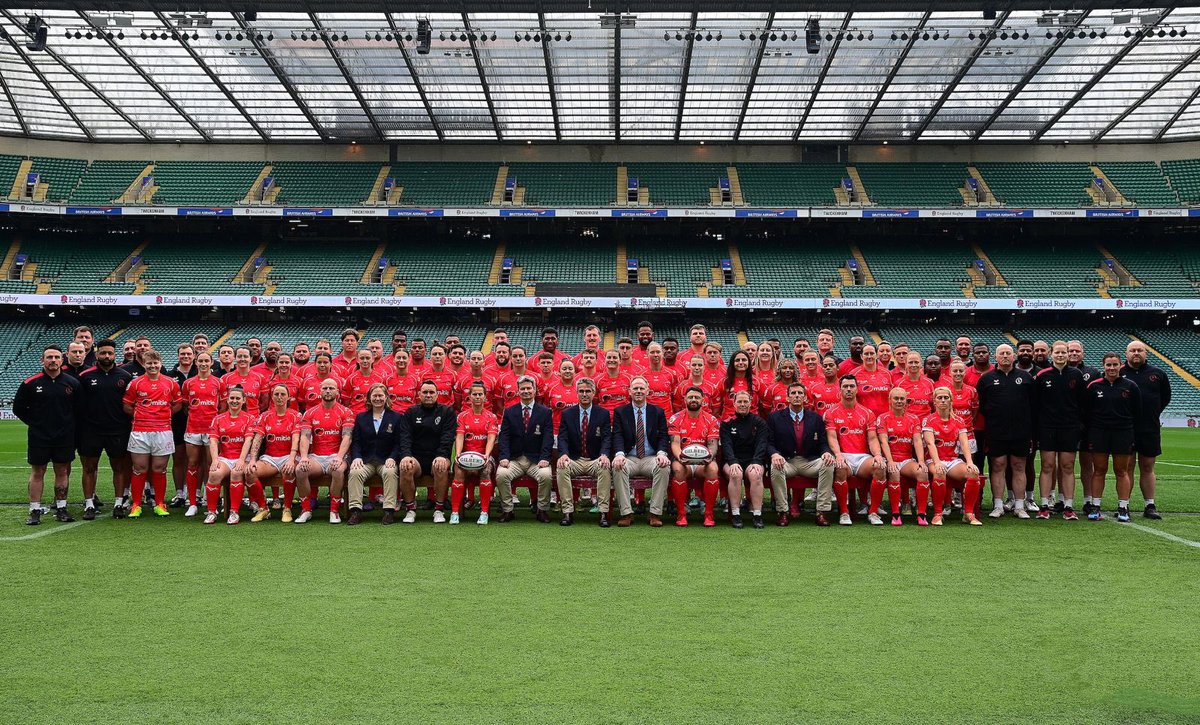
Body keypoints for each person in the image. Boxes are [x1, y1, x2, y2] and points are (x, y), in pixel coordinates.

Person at [15, 345, 81, 525]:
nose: (53, 360)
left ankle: (61, 508)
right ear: (42, 360)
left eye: (56, 357)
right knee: (38, 472)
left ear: (62, 360)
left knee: (62, 471)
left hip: (64, 437)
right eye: (49, 357)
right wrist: (35, 424)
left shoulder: (72, 383)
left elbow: (80, 409)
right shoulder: (30, 383)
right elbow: (18, 409)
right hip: (39, 437)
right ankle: (34, 509)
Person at [121, 349, 183, 518]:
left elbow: (177, 404)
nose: (153, 366)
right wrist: (141, 416)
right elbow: (127, 405)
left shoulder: (171, 383)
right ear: (144, 364)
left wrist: (164, 414)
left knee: (159, 468)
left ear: (160, 363)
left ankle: (160, 503)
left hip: (163, 431)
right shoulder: (136, 383)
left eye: (155, 363)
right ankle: (136, 505)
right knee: (139, 469)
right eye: (149, 363)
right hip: (140, 431)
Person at [978, 344, 1036, 519]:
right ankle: (998, 505)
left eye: (1008, 353)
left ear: (1014, 356)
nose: (1005, 356)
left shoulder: (1026, 378)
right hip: (996, 431)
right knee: (997, 466)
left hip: (1021, 431)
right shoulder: (986, 379)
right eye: (1001, 353)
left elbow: (1033, 404)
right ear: (995, 357)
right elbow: (982, 405)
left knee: (1019, 466)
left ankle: (1019, 506)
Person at [76, 339, 132, 520]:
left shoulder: (124, 376)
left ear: (115, 355)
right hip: (91, 431)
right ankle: (89, 504)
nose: (106, 356)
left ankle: (118, 504)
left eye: (110, 353)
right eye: (103, 353)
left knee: (119, 468)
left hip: (118, 430)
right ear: (97, 354)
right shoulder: (85, 376)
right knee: (89, 468)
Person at [767, 383, 836, 527]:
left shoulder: (815, 418)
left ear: (805, 397)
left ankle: (822, 512)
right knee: (775, 466)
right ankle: (783, 512)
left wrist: (826, 453)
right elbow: (769, 442)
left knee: (828, 463)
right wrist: (774, 454)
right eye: (793, 393)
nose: (797, 396)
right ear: (787, 397)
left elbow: (823, 442)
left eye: (800, 393)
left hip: (808, 461)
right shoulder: (775, 417)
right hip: (787, 461)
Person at [1086, 353, 1143, 522]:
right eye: (1108, 365)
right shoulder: (1093, 386)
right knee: (1099, 470)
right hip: (1099, 433)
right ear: (1103, 366)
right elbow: (1086, 411)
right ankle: (1095, 506)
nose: (1111, 368)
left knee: (1121, 470)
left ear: (1120, 365)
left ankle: (1123, 507)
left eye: (1115, 365)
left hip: (1123, 433)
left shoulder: (1130, 386)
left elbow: (1137, 412)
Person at [824, 375, 886, 526]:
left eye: (852, 386)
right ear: (840, 390)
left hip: (862, 458)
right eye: (845, 387)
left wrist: (877, 455)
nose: (849, 389)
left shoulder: (867, 413)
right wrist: (838, 455)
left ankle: (873, 512)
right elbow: (832, 438)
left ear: (857, 389)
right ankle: (844, 512)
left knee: (880, 467)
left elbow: (872, 439)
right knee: (839, 468)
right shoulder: (831, 412)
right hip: (843, 455)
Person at [1033, 342, 1085, 520]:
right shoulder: (1042, 375)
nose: (1061, 355)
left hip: (1069, 428)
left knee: (1067, 466)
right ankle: (1044, 505)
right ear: (1051, 354)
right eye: (1057, 352)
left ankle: (1068, 506)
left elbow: (1082, 402)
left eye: (1064, 352)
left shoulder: (1076, 375)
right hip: (1047, 427)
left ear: (1068, 354)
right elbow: (1035, 404)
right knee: (1047, 466)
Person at [612, 376, 671, 527]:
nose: (638, 391)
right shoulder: (620, 412)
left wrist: (661, 453)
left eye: (641, 388)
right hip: (629, 457)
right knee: (618, 467)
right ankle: (626, 513)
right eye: (635, 388)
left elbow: (663, 436)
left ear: (648, 391)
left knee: (664, 466)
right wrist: (619, 454)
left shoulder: (657, 412)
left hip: (650, 457)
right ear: (629, 391)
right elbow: (617, 435)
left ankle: (655, 513)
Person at [495, 375, 554, 522]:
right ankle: (507, 510)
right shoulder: (509, 412)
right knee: (501, 474)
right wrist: (504, 457)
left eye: (529, 388)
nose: (526, 391)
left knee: (546, 475)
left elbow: (548, 438)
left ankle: (542, 510)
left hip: (536, 460)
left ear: (534, 390)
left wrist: (545, 458)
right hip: (515, 459)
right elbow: (504, 437)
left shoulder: (545, 412)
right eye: (523, 389)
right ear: (518, 391)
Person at [1121, 340, 1170, 519]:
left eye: (1140, 350)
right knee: (1127, 467)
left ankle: (1150, 504)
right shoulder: (1119, 373)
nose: (1136, 353)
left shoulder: (1158, 374)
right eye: (1132, 350)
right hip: (1125, 428)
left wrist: (1151, 414)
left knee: (1147, 466)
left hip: (1149, 428)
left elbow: (1165, 398)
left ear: (1145, 353)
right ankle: (1124, 504)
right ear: (1126, 354)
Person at [556, 378, 613, 527]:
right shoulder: (568, 414)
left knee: (605, 466)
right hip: (575, 459)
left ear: (594, 393)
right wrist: (563, 454)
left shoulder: (603, 413)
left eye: (588, 391)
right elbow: (562, 437)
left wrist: (604, 454)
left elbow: (607, 437)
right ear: (577, 393)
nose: (584, 394)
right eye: (581, 391)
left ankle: (603, 512)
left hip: (595, 458)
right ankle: (567, 512)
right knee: (562, 467)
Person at [922, 387, 983, 526]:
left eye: (946, 397)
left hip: (952, 460)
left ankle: (968, 513)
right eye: (939, 398)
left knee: (973, 473)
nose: (943, 400)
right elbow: (930, 444)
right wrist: (937, 463)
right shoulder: (928, 420)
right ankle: (938, 514)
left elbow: (964, 443)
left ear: (951, 400)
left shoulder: (959, 420)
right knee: (939, 471)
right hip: (934, 460)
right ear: (934, 401)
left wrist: (969, 462)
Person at [297, 378, 354, 524]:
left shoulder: (346, 412)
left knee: (337, 470)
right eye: (325, 388)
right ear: (320, 391)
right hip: (316, 457)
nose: (328, 391)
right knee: (300, 470)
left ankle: (334, 511)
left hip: (336, 455)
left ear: (337, 391)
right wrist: (304, 457)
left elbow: (347, 437)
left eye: (331, 388)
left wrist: (340, 457)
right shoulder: (310, 412)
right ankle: (306, 510)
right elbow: (304, 436)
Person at [398, 381, 457, 523]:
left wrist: (442, 455)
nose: (428, 395)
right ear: (419, 395)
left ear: (437, 395)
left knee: (440, 467)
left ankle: (439, 509)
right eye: (425, 392)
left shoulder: (447, 412)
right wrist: (406, 455)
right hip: (416, 457)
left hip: (438, 456)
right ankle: (410, 509)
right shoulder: (411, 412)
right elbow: (405, 437)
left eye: (431, 392)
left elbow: (448, 438)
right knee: (405, 467)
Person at [346, 383, 403, 525]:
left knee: (390, 473)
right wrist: (357, 457)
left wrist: (392, 457)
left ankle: (389, 511)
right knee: (354, 473)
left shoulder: (396, 417)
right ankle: (355, 511)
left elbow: (399, 442)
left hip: (386, 460)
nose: (377, 398)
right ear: (369, 398)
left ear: (386, 398)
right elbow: (356, 442)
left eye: (380, 396)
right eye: (374, 396)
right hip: (367, 460)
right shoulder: (361, 417)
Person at [667, 387, 721, 527]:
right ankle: (681, 514)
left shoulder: (711, 419)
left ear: (703, 400)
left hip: (703, 461)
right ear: (684, 399)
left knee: (713, 469)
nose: (693, 400)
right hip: (684, 460)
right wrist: (681, 457)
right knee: (678, 469)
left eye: (697, 397)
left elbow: (713, 444)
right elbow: (675, 443)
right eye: (690, 397)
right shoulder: (676, 418)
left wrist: (709, 457)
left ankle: (709, 514)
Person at [203, 386, 256, 525]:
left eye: (238, 398)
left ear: (244, 400)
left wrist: (241, 460)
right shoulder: (218, 419)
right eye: (232, 398)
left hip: (242, 458)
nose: (234, 401)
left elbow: (248, 441)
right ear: (227, 400)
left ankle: (234, 512)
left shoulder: (250, 418)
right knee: (214, 473)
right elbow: (213, 441)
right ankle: (212, 512)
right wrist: (215, 460)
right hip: (225, 457)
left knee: (236, 473)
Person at [875, 388, 928, 526]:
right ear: (890, 400)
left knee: (922, 472)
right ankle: (895, 514)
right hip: (890, 459)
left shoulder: (913, 418)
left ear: (906, 401)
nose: (899, 401)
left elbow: (917, 441)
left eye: (902, 399)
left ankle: (922, 514)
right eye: (896, 398)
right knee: (894, 472)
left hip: (906, 459)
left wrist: (921, 461)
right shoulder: (883, 418)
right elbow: (883, 441)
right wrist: (890, 461)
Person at [250, 383, 302, 522]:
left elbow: (296, 438)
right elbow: (257, 439)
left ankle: (287, 508)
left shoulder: (295, 415)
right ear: (272, 397)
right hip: (270, 458)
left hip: (289, 456)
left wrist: (291, 459)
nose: (279, 397)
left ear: (289, 397)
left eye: (283, 394)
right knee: (250, 472)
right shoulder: (265, 416)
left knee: (289, 470)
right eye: (276, 394)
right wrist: (253, 460)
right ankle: (264, 508)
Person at [179, 351, 221, 517]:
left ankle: (210, 501)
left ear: (211, 363)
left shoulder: (218, 383)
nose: (203, 364)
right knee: (192, 464)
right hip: (193, 429)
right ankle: (193, 503)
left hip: (211, 431)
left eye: (206, 361)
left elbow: (223, 406)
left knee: (212, 466)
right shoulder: (188, 383)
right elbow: (184, 406)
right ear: (196, 363)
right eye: (201, 361)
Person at [450, 382, 499, 525]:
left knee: (486, 471)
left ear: (485, 397)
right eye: (474, 394)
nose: (477, 397)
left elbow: (491, 438)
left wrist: (486, 455)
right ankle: (455, 512)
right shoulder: (462, 416)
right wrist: (458, 455)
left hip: (483, 456)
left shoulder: (491, 417)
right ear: (469, 397)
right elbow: (459, 436)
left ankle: (483, 512)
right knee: (458, 471)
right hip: (465, 456)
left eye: (480, 394)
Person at [720, 390, 768, 529]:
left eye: (745, 401)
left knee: (756, 474)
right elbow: (727, 445)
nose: (742, 404)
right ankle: (736, 514)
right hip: (732, 460)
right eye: (739, 402)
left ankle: (757, 514)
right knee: (735, 474)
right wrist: (733, 462)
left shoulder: (759, 422)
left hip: (753, 460)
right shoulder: (727, 423)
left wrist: (757, 461)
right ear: (734, 404)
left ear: (750, 403)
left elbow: (761, 444)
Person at [220, 347, 266, 417]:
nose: (242, 359)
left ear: (250, 359)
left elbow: (264, 403)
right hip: (232, 419)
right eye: (239, 356)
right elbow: (223, 404)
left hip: (253, 419)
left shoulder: (260, 378)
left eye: (245, 356)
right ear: (235, 358)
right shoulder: (225, 378)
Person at [717, 350, 754, 422]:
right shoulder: (724, 382)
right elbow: (716, 408)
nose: (740, 362)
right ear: (732, 363)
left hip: (751, 422)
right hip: (729, 423)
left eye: (744, 360)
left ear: (749, 363)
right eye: (737, 360)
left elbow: (765, 407)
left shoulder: (757, 382)